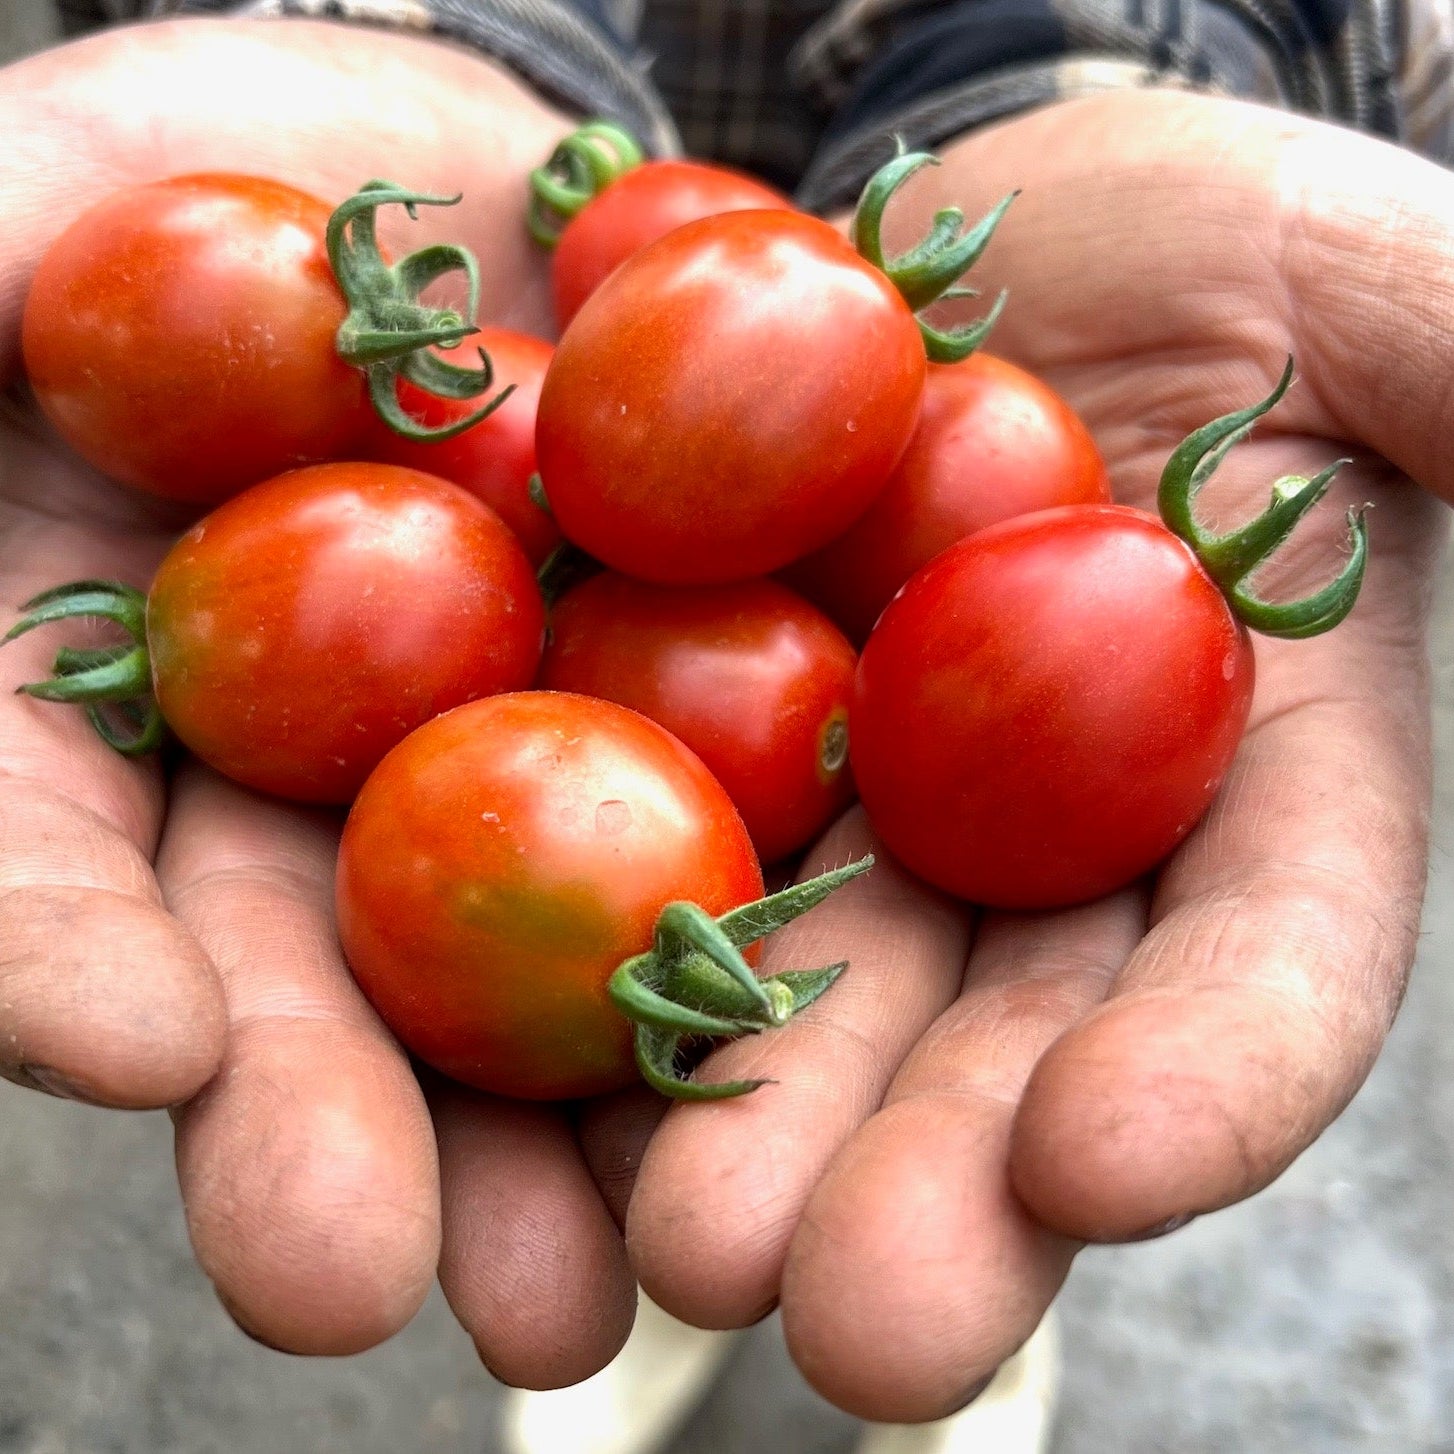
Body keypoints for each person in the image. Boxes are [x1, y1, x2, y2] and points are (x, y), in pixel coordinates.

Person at [0, 0, 1449, 1447]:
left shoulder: (933, 456)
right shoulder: (557, 457)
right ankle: (702, 1288)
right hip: (598, 190)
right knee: (752, 1133)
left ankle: (947, 1329)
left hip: (882, 193)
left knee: (967, 1116)